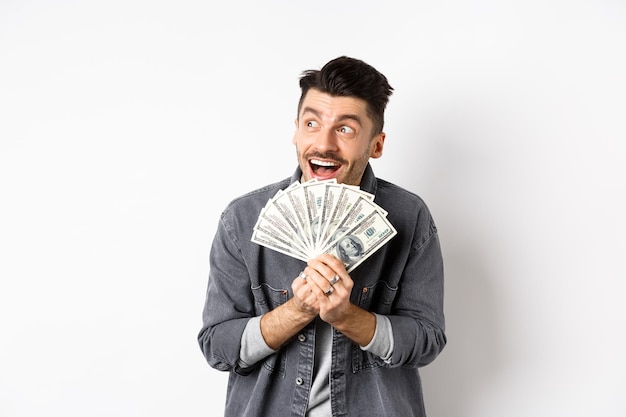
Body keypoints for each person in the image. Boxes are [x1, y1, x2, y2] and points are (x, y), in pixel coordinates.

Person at [198, 56, 446, 417]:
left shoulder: (410, 217)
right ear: (296, 130)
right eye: (312, 123)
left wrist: (348, 317)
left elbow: (427, 340)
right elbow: (216, 346)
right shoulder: (242, 219)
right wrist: (297, 311)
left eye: (345, 129)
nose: (323, 144)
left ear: (376, 145)